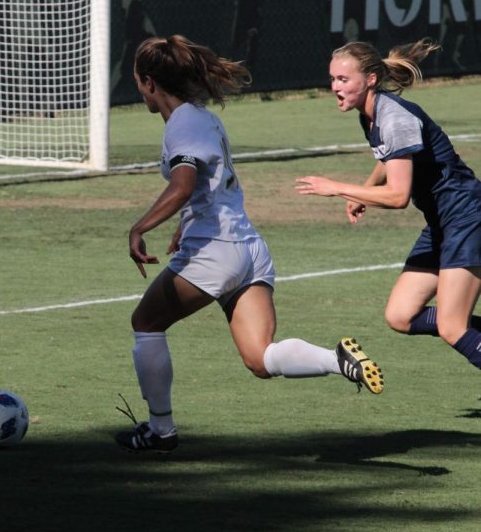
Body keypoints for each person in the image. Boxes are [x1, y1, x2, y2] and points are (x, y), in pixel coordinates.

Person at [115, 35, 383, 454]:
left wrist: (139, 227)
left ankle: (160, 431)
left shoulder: (182, 122)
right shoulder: (203, 118)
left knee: (146, 324)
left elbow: (183, 185)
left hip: (216, 253)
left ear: (150, 82)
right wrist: (186, 224)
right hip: (249, 250)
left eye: (138, 82)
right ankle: (338, 361)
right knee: (261, 359)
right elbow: (209, 185)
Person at [296, 39, 481, 373]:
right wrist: (365, 190)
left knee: (452, 326)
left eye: (343, 79)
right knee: (401, 315)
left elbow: (398, 196)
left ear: (369, 80)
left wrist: (336, 188)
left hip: (467, 216)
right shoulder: (370, 114)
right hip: (443, 223)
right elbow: (393, 156)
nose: (335, 87)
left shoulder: (394, 117)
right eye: (333, 79)